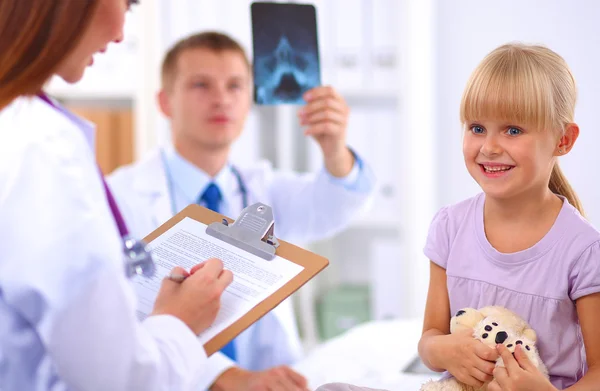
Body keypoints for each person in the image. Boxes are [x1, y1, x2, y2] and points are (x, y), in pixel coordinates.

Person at [108, 31, 376, 390]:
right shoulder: (120, 197)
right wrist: (226, 377)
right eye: (201, 85)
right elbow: (124, 313)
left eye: (235, 86)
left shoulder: (262, 187)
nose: (221, 99)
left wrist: (334, 149)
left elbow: (334, 205)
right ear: (165, 102)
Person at [0, 1, 236, 390]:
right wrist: (180, 321)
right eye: (126, 4)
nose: (121, 35)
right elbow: (118, 380)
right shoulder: (42, 145)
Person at [418, 43, 600, 390]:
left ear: (563, 139)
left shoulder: (585, 251)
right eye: (476, 128)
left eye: (513, 130)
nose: (489, 147)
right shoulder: (449, 227)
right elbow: (428, 340)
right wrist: (443, 350)